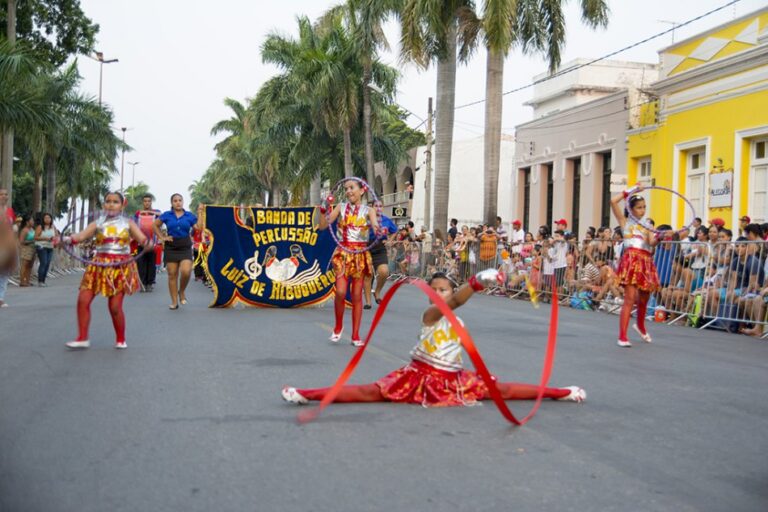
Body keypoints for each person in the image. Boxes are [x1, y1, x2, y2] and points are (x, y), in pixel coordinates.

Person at [281, 269, 586, 407]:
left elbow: (461, 341)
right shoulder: (430, 314)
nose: (439, 293)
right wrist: (478, 282)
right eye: (435, 289)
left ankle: (563, 392)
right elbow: (452, 304)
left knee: (503, 389)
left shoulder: (458, 317)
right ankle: (307, 394)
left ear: (451, 290)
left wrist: (481, 375)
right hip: (419, 376)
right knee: (368, 393)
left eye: (444, 289)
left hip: (453, 378)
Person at [63, 191, 150, 349]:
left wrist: (147, 243)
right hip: (98, 266)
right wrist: (65, 239)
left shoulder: (128, 223)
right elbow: (81, 236)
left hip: (119, 268)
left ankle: (121, 338)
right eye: (108, 201)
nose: (111, 204)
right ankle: (82, 337)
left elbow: (142, 239)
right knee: (83, 300)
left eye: (115, 201)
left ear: (122, 205)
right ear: (104, 205)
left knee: (115, 307)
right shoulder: (97, 223)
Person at [317, 179, 381, 346]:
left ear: (362, 190)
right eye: (346, 188)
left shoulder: (369, 210)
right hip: (343, 253)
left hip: (360, 255)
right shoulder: (341, 207)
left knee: (357, 295)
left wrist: (380, 229)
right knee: (340, 292)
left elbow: (375, 227)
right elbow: (323, 226)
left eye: (352, 188)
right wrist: (324, 209)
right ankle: (338, 327)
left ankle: (355, 335)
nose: (349, 191)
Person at [611, 186, 661, 347]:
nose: (642, 210)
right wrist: (630, 191)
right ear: (631, 209)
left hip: (645, 261)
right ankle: (622, 336)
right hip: (631, 261)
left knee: (644, 297)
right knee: (630, 298)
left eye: (644, 207)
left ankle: (640, 326)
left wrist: (660, 237)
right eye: (639, 207)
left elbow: (651, 242)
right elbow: (613, 201)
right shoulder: (624, 222)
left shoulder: (647, 226)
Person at [154, 194, 200, 310]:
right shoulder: (167, 215)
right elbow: (155, 225)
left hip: (185, 246)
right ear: (172, 203)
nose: (178, 202)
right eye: (175, 201)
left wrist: (200, 213)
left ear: (183, 202)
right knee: (172, 274)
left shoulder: (189, 215)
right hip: (171, 246)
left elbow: (199, 227)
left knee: (186, 271)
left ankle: (182, 291)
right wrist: (162, 237)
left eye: (180, 200)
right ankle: (174, 302)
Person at [364, 213, 397, 308]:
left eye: (380, 205)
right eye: (375, 205)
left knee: (384, 272)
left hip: (380, 248)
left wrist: (390, 240)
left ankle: (377, 292)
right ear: (371, 208)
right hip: (366, 247)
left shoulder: (386, 219)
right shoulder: (365, 218)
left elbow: (394, 230)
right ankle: (368, 302)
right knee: (368, 275)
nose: (378, 207)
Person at [134, 194, 161, 291]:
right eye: (145, 201)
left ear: (151, 202)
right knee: (141, 263)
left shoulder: (156, 212)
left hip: (152, 243)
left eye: (149, 201)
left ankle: (150, 283)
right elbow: (134, 224)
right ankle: (142, 283)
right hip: (141, 242)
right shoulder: (138, 213)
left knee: (151, 263)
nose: (147, 203)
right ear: (142, 202)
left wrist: (148, 212)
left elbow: (161, 215)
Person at [34, 212, 57, 287]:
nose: (47, 219)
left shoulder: (53, 227)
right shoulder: (40, 227)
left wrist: (55, 242)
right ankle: (40, 281)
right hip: (41, 246)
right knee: (43, 262)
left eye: (49, 218)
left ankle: (43, 280)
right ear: (43, 219)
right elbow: (36, 237)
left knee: (47, 264)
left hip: (50, 247)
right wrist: (46, 238)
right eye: (46, 218)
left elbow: (56, 236)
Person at [0, 205, 16, 307]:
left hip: (4, 245)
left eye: (5, 194)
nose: (4, 196)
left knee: (4, 274)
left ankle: (1, 298)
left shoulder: (10, 210)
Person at [18, 214, 37, 287]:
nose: (33, 222)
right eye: (31, 220)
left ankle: (28, 281)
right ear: (27, 222)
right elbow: (21, 241)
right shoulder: (24, 230)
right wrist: (32, 241)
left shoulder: (32, 229)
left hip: (33, 249)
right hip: (26, 249)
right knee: (24, 265)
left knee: (30, 266)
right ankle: (22, 281)